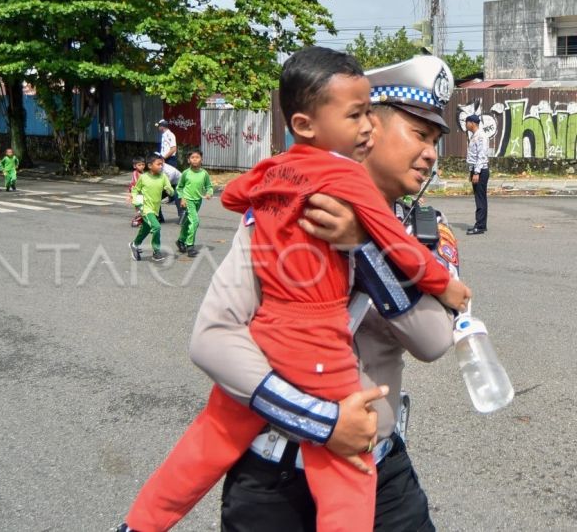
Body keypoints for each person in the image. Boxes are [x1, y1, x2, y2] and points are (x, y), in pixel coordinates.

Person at [119, 48, 469, 532]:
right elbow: (213, 339)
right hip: (274, 479)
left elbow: (433, 341)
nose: (432, 152)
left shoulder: (427, 232)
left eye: (436, 137)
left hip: (379, 474)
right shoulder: (279, 213)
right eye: (419, 133)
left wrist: (364, 246)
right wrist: (323, 423)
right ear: (367, 126)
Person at [129, 153, 174, 263]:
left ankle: (134, 244)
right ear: (150, 166)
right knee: (156, 226)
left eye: (161, 164)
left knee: (146, 228)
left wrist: (169, 190)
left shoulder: (163, 177)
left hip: (155, 209)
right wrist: (138, 204)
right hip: (145, 208)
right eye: (158, 164)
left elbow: (171, 191)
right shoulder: (143, 178)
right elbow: (135, 190)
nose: (161, 166)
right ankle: (156, 251)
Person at [175, 148, 213, 257]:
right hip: (188, 201)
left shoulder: (204, 173)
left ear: (201, 159)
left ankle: (181, 240)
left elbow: (209, 186)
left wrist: (209, 193)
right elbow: (179, 187)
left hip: (198, 201)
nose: (195, 160)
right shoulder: (186, 173)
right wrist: (182, 198)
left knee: (188, 222)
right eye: (192, 158)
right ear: (188, 160)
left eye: (197, 157)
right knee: (195, 221)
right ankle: (190, 246)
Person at [465, 114, 489, 235]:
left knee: (480, 199)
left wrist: (476, 172)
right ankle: (481, 224)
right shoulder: (475, 135)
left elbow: (481, 155)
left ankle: (479, 226)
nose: (465, 125)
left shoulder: (480, 136)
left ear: (472, 123)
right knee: (480, 198)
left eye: (467, 122)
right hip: (476, 169)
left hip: (480, 171)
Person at [127, 156, 146, 227]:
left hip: (141, 194)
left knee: (142, 208)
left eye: (143, 165)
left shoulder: (143, 173)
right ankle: (137, 221)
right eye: (139, 165)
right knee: (140, 208)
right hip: (137, 194)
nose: (142, 166)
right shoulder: (135, 173)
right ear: (134, 166)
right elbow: (136, 183)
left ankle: (140, 220)